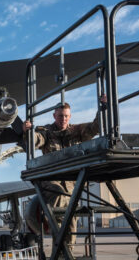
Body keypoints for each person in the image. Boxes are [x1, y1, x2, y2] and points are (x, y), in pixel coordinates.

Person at [23, 99, 105, 250]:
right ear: (54, 116)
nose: (63, 119)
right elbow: (36, 140)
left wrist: (104, 108)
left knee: (71, 222)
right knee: (60, 196)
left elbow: (95, 128)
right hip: (51, 181)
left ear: (70, 116)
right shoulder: (46, 132)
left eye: (66, 116)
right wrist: (29, 132)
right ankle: (55, 230)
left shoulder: (77, 131)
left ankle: (66, 251)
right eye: (60, 116)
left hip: (72, 184)